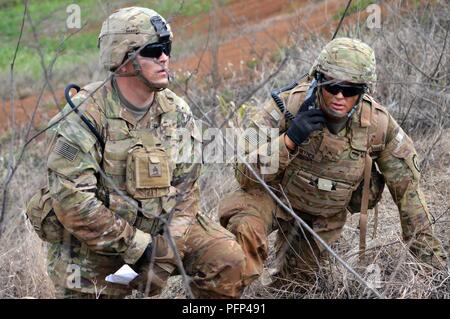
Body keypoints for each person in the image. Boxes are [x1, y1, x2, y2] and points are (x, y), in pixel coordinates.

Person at [26, 7, 245, 299]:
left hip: (160, 233)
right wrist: (140, 247)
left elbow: (185, 190)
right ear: (124, 59)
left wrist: (165, 253)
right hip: (96, 245)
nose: (164, 57)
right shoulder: (85, 115)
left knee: (226, 258)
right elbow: (72, 201)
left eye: (166, 48)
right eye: (153, 50)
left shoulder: (175, 111)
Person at [218, 37, 447, 286]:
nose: (339, 96)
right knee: (244, 235)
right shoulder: (283, 106)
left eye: (350, 90)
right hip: (271, 198)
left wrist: (435, 272)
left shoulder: (379, 125)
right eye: (332, 87)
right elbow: (242, 171)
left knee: (297, 285)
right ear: (318, 80)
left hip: (321, 216)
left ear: (363, 91)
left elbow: (409, 195)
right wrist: (288, 141)